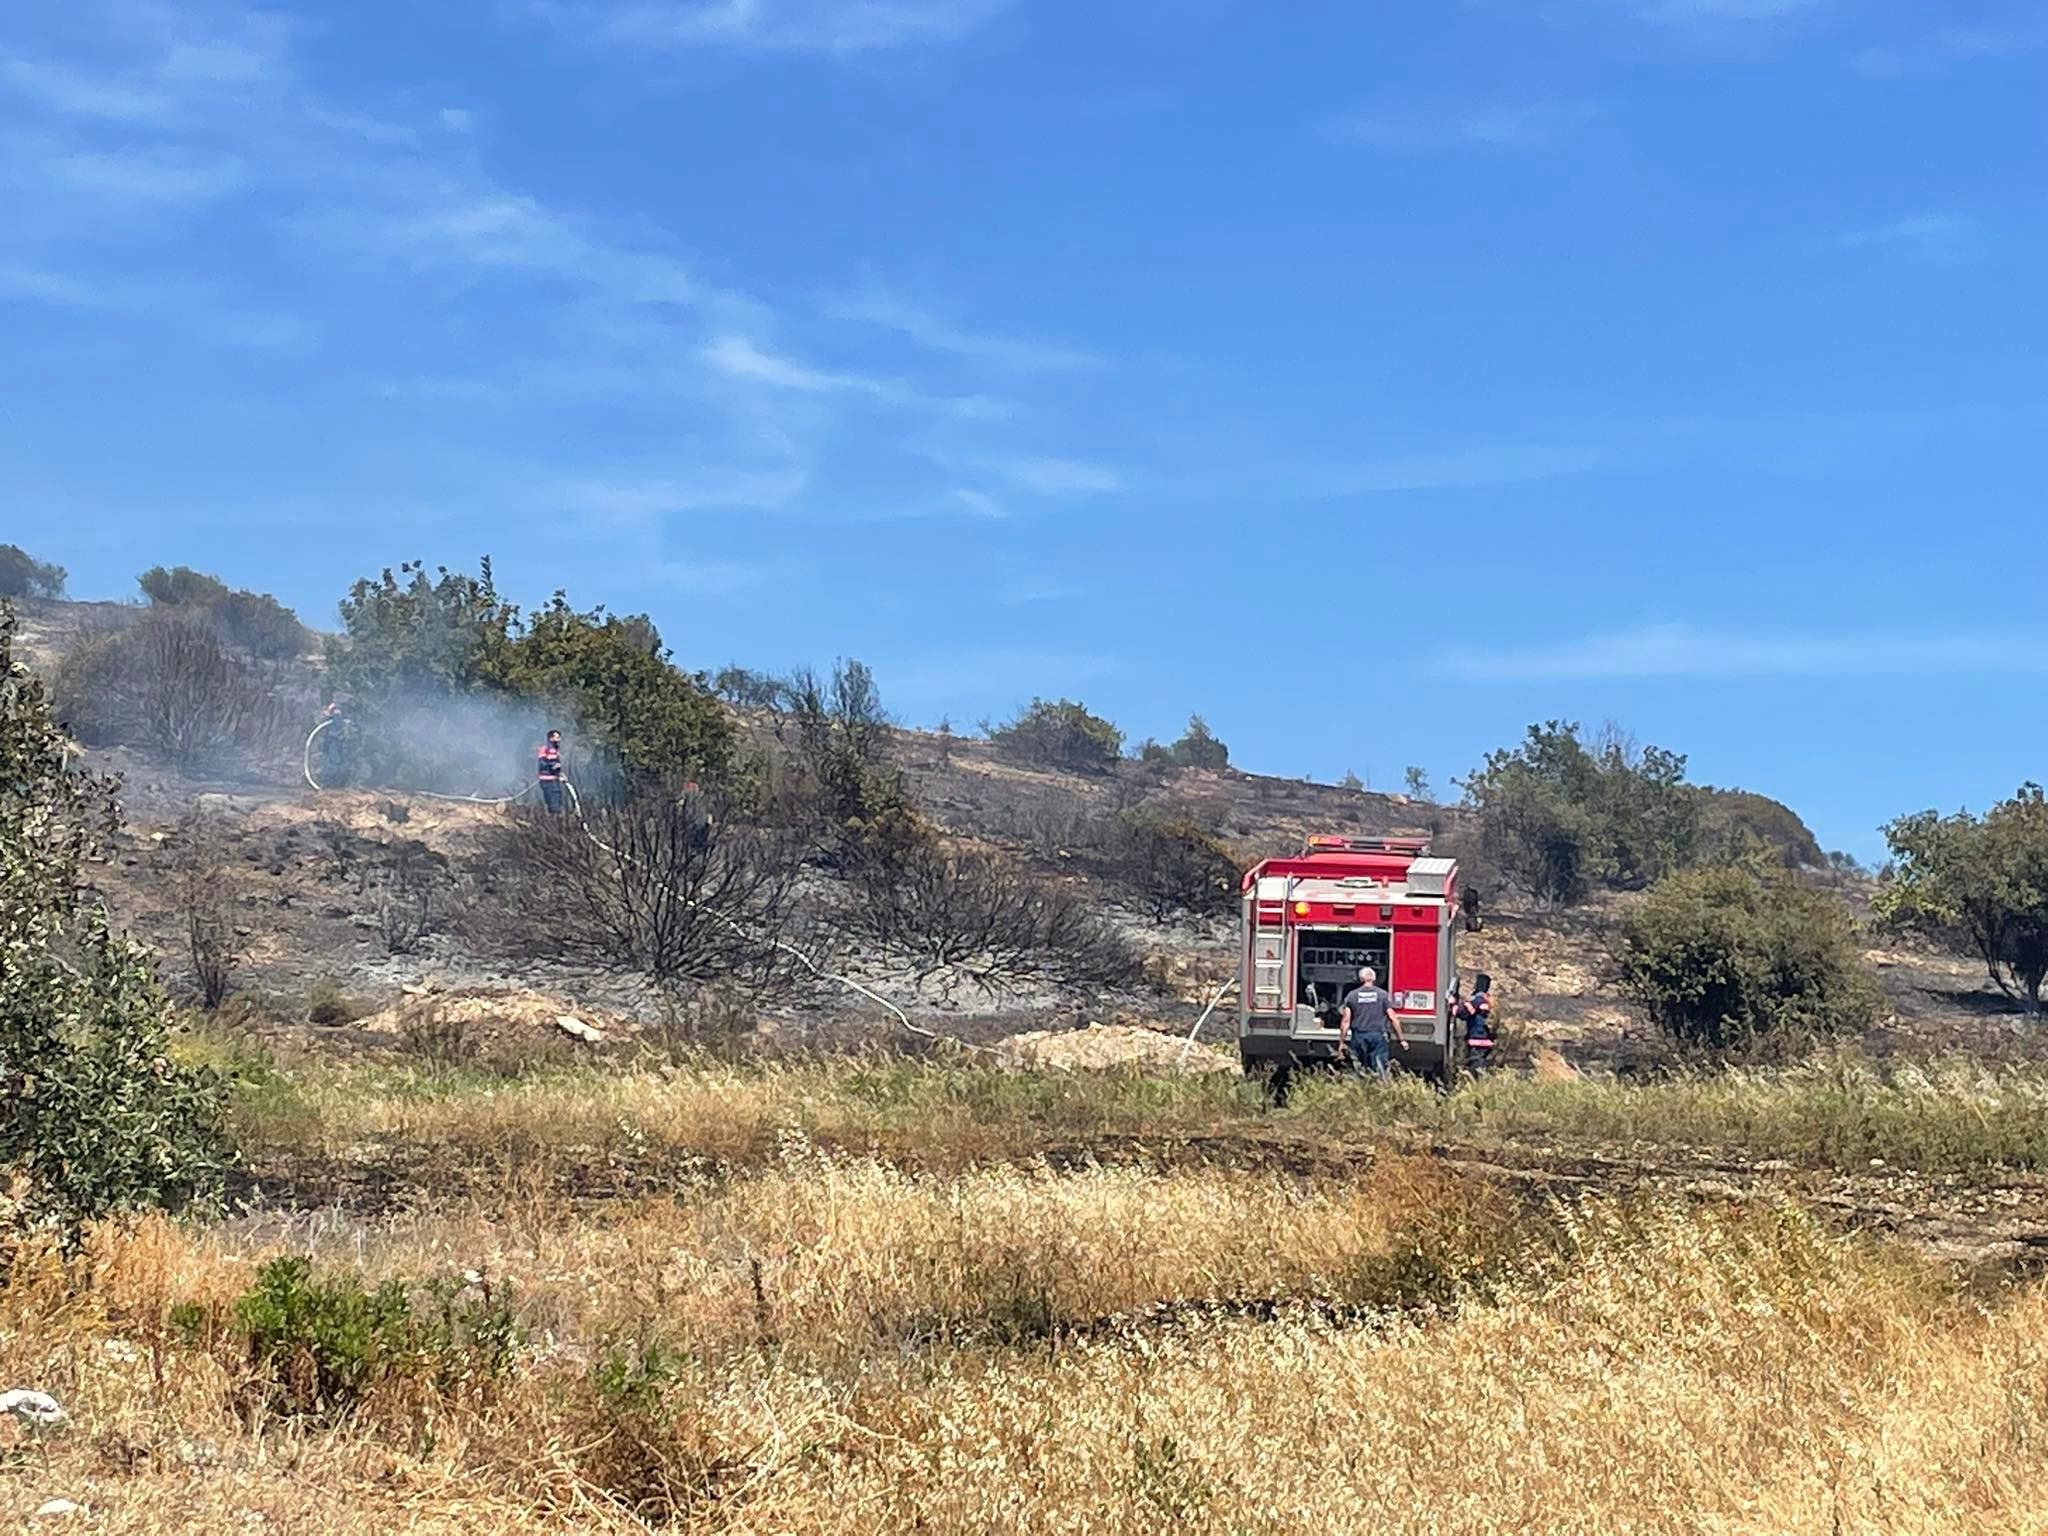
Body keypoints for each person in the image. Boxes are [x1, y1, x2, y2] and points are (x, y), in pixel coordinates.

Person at [1340, 965, 1405, 1084]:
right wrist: (1401, 1039)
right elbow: (1393, 1018)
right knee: (1380, 1067)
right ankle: (1380, 1090)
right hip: (1378, 1036)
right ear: (1374, 979)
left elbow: (1345, 1021)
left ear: (1360, 979)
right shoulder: (1382, 995)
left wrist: (1341, 1042)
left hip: (1358, 1036)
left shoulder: (1352, 996)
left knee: (1359, 1068)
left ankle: (1361, 1090)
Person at [1457, 972, 1497, 1076]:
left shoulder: (1477, 1001)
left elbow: (1462, 1013)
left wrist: (1452, 1004)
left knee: (1475, 1066)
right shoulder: (1489, 1001)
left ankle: (1476, 1085)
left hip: (1476, 1039)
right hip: (1487, 1040)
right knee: (1481, 1064)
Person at [537, 729, 566, 813]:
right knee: (553, 803)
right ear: (551, 738)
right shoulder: (544, 749)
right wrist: (553, 766)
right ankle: (553, 820)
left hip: (554, 780)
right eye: (557, 737)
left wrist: (560, 774)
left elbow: (557, 765)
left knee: (558, 799)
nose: (559, 739)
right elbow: (542, 764)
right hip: (547, 780)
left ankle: (555, 819)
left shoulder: (556, 750)